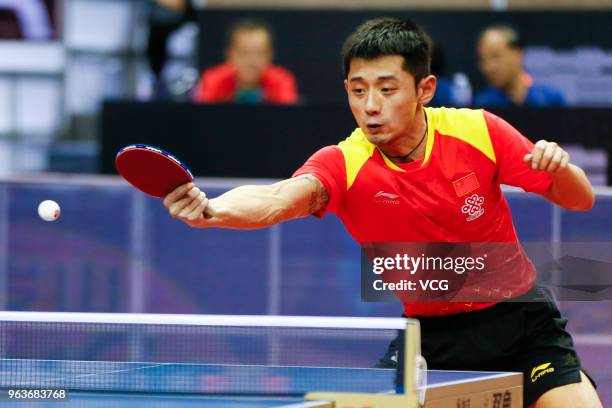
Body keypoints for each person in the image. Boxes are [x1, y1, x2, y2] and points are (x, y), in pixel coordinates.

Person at [163, 18, 601, 407]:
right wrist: (212, 209)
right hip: (430, 339)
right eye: (358, 90)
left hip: (522, 324)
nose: (371, 105)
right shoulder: (345, 163)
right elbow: (278, 199)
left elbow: (579, 199)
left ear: (423, 90)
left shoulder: (478, 131)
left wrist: (559, 169)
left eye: (387, 89)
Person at [192, 19, 298, 104]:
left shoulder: (282, 81)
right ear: (230, 53)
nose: (252, 61)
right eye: (244, 53)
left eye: (260, 53)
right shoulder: (214, 79)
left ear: (270, 54)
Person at [475, 24, 565, 107]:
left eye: (495, 56)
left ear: (517, 54)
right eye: (483, 59)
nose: (489, 67)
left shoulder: (550, 99)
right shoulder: (482, 105)